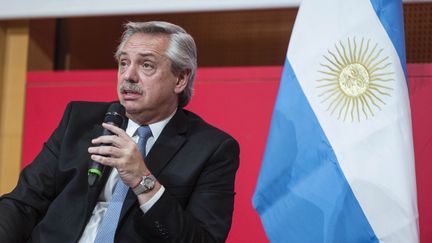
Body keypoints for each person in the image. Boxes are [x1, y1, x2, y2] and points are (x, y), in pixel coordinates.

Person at [0, 21, 239, 243]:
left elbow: (201, 239)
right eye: (124, 63)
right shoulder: (79, 120)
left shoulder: (212, 149)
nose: (128, 75)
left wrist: (142, 180)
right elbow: (23, 202)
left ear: (180, 78)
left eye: (146, 65)